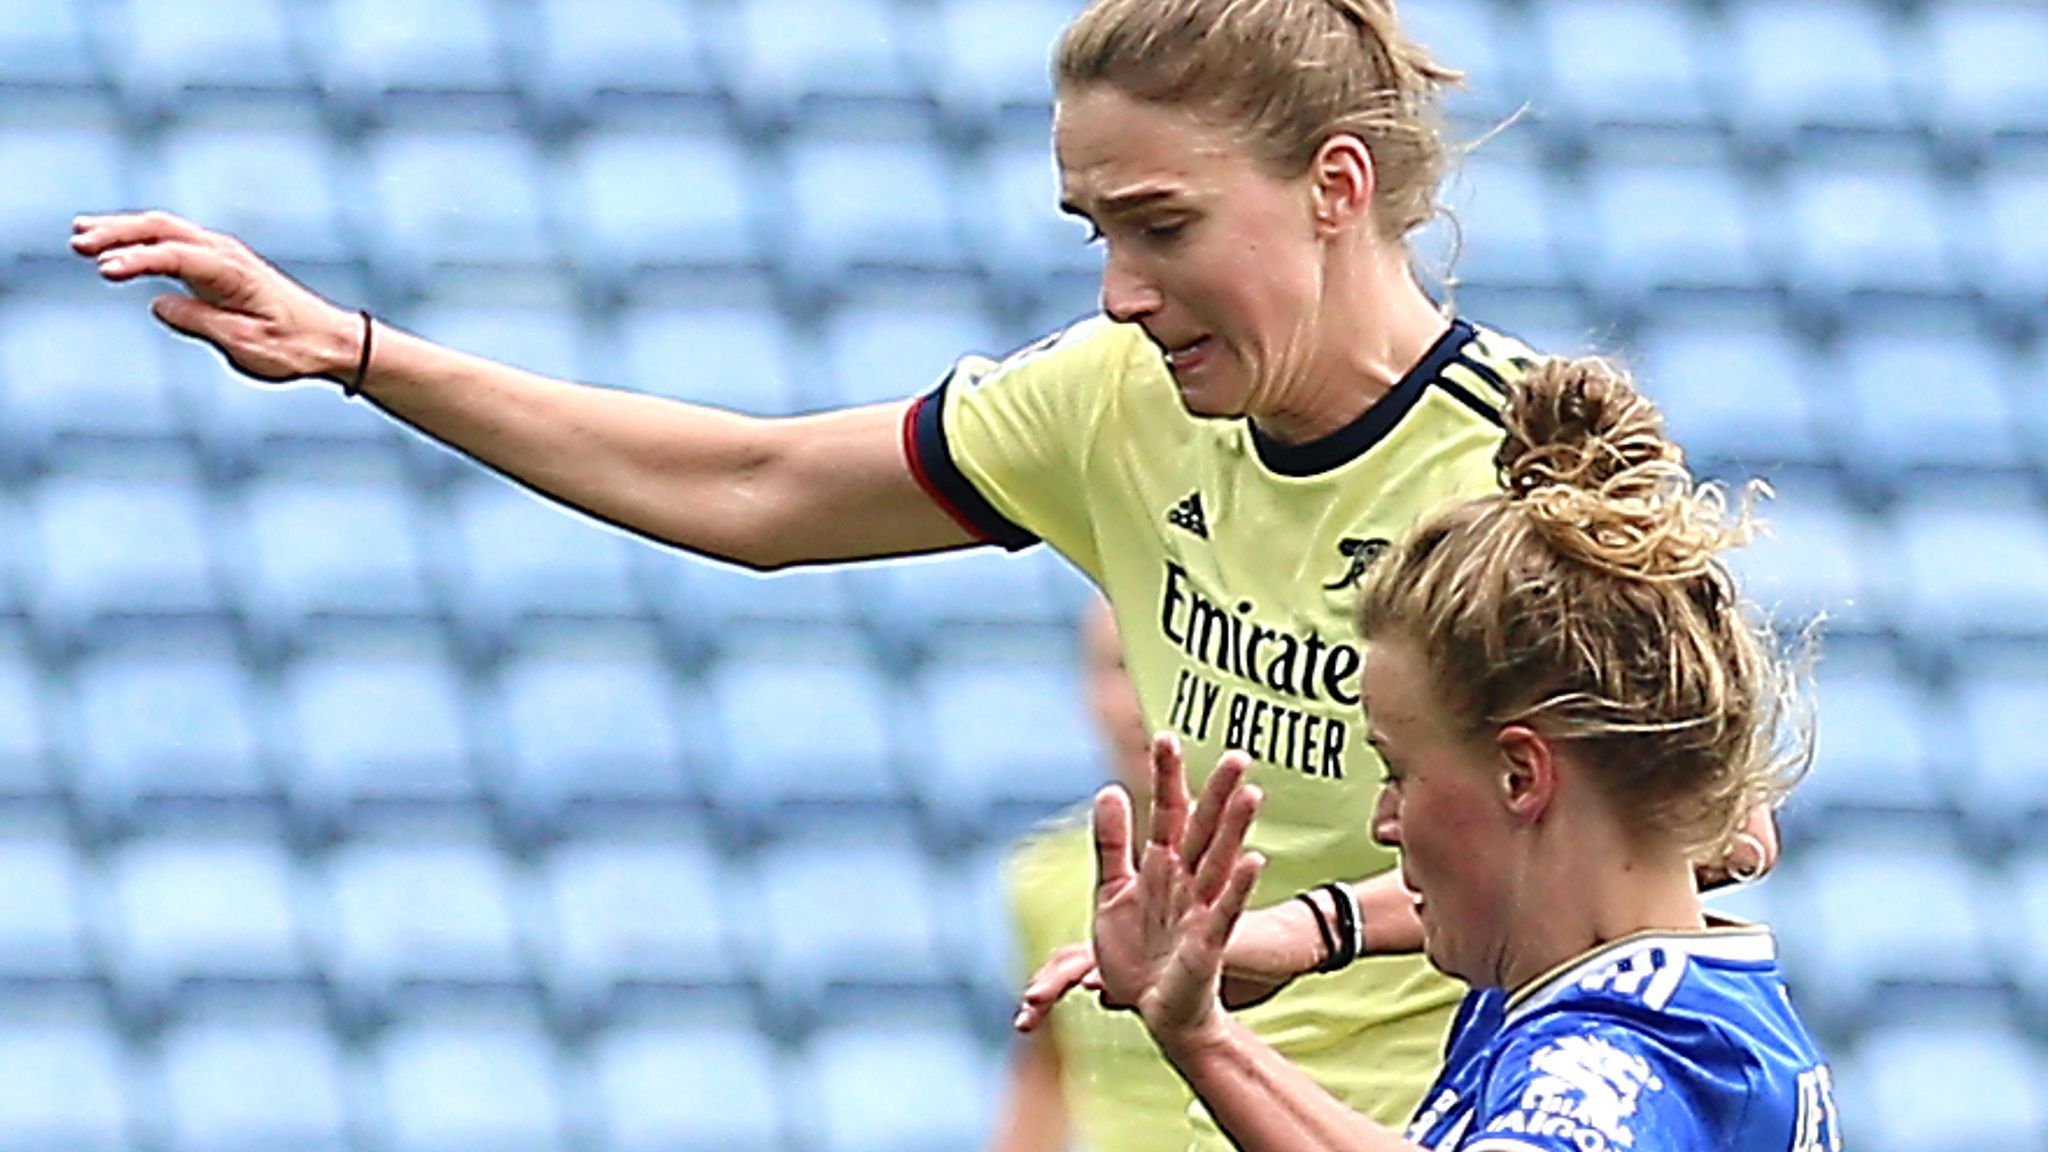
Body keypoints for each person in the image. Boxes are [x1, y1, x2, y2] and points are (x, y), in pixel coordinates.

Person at [67, 0, 1754, 1138]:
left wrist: (1303, 931)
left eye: (1158, 227)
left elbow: (1707, 832)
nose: (1116, 290)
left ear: (1332, 190)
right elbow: (754, 483)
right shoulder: (1116, 407)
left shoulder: (1520, 461)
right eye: (1091, 232)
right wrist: (362, 350)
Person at [1084, 356, 1840, 1152]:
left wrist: (1205, 1038)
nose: (1384, 822)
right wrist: (1313, 934)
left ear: (1521, 776)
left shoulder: (1626, 1058)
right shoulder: (1585, 987)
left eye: (1398, 772)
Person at [986, 597, 1195, 1152]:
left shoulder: (1303, 879)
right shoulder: (1042, 876)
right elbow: (1048, 1069)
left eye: (1163, 671)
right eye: (1120, 669)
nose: (1140, 705)